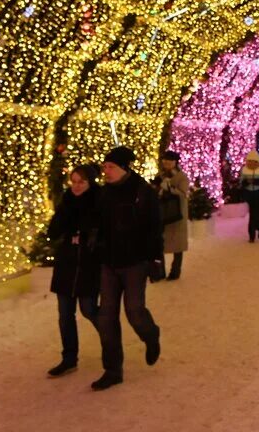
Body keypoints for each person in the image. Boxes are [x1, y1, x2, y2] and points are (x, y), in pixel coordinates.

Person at [93, 146, 162, 391]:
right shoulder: (103, 194)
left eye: (110, 167)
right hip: (109, 263)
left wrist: (155, 259)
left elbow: (154, 228)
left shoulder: (143, 192)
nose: (106, 171)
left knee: (134, 311)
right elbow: (97, 225)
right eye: (105, 167)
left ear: (123, 168)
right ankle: (112, 370)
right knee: (106, 317)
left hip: (135, 262)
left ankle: (150, 334)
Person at [45, 164, 102, 377]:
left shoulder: (99, 202)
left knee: (89, 309)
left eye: (81, 182)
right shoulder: (66, 201)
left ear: (90, 182)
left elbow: (103, 232)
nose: (76, 186)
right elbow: (53, 231)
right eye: (74, 181)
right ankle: (69, 358)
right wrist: (64, 216)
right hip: (67, 263)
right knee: (65, 314)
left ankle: (111, 344)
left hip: (88, 265)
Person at [153, 150, 189, 281]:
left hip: (177, 213)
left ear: (175, 162)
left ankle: (175, 271)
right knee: (160, 242)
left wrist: (169, 188)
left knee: (177, 243)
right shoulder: (160, 175)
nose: (167, 163)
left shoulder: (181, 176)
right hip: (163, 213)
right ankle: (160, 271)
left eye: (170, 161)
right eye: (165, 160)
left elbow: (183, 193)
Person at [238, 152, 259, 242]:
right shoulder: (244, 169)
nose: (251, 163)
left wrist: (254, 181)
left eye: (253, 161)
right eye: (250, 161)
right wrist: (246, 182)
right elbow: (241, 182)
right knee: (252, 214)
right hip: (249, 194)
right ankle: (251, 234)